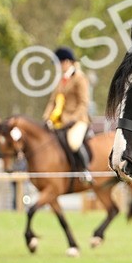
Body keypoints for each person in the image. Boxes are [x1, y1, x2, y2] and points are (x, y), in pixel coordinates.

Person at [43, 46, 93, 183]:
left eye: (59, 63)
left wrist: (72, 118)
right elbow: (52, 101)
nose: (58, 67)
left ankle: (85, 170)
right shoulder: (61, 81)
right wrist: (46, 118)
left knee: (74, 142)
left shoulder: (79, 78)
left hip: (79, 120)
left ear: (66, 62)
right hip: (61, 121)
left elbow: (84, 103)